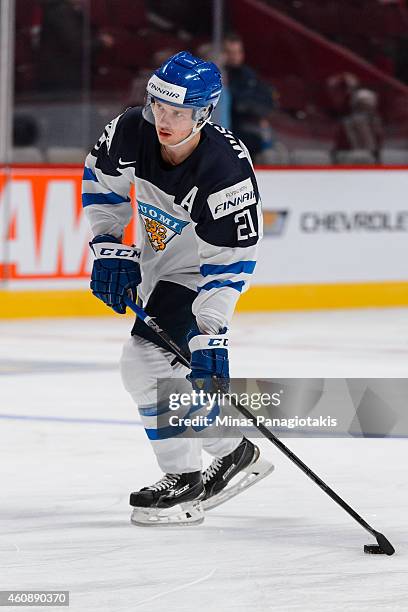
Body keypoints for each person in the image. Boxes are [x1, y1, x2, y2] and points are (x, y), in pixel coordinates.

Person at [82, 51, 274, 527]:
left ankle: (194, 473)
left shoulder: (223, 169)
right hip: (158, 266)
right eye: (158, 107)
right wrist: (108, 244)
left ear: (203, 113)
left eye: (178, 112)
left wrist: (211, 333)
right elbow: (102, 184)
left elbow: (230, 261)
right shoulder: (131, 129)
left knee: (143, 364)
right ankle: (231, 453)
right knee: (147, 371)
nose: (163, 120)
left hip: (196, 275)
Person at [223, 34, 277, 160]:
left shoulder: (249, 77)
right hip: (224, 134)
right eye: (230, 52)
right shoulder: (218, 75)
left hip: (245, 135)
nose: (234, 56)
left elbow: (266, 101)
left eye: (237, 52)